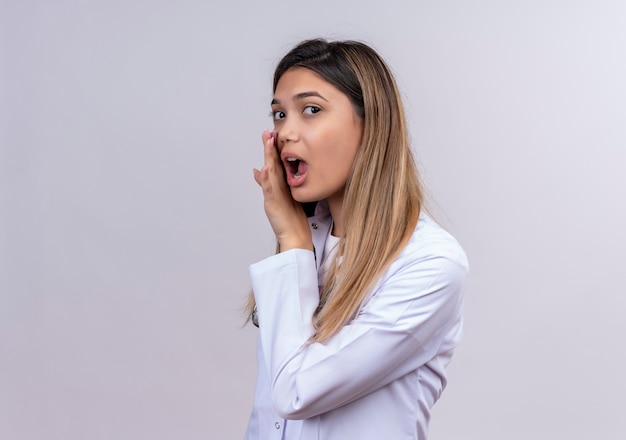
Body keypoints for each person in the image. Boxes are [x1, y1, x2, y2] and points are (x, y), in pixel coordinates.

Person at [245, 38, 468, 440]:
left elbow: (296, 392)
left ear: (371, 124)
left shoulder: (429, 263)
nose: (285, 133)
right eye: (279, 114)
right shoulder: (305, 245)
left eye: (310, 110)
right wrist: (295, 245)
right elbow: (269, 421)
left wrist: (293, 242)